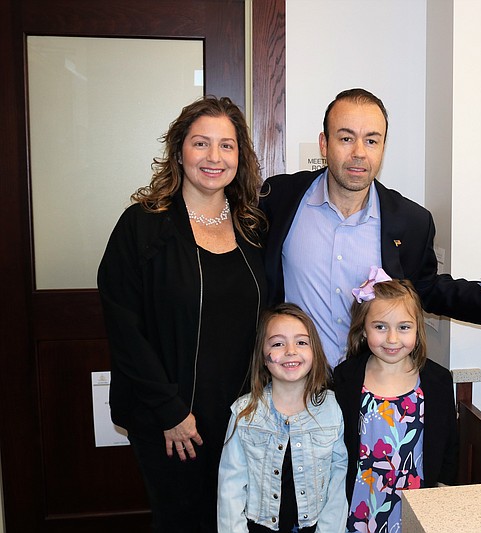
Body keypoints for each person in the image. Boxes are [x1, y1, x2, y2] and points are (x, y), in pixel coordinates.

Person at [97, 96, 269, 531]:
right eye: (201, 144)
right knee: (183, 521)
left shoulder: (253, 229)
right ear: (179, 152)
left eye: (226, 146)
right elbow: (124, 329)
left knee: (236, 521)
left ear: (240, 157)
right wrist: (170, 411)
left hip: (240, 417)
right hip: (171, 419)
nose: (214, 157)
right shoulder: (143, 225)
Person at [259, 88, 481, 365]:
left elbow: (427, 289)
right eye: (346, 138)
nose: (359, 153)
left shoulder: (411, 221)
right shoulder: (279, 198)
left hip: (370, 384)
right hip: (295, 381)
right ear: (324, 144)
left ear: (383, 147)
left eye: (371, 141)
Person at [333, 269, 458, 532]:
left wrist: (445, 497)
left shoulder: (438, 381)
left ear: (417, 329)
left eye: (403, 327)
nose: (392, 339)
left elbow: (449, 445)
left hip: (415, 506)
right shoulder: (345, 378)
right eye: (380, 327)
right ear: (364, 330)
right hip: (359, 505)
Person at [218, 303, 348, 532]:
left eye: (301, 342)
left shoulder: (332, 409)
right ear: (263, 357)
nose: (290, 351)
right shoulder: (244, 413)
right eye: (278, 343)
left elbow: (338, 484)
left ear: (314, 351)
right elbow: (231, 487)